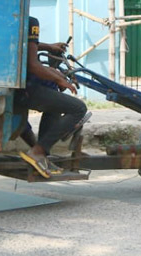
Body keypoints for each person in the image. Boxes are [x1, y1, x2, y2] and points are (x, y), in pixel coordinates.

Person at [18, 16, 90, 178]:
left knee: (55, 99)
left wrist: (47, 48)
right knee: (78, 108)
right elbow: (33, 65)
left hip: (15, 86)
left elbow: (26, 46)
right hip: (26, 88)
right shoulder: (31, 21)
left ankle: (40, 152)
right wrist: (59, 79)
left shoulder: (12, 17)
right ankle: (37, 152)